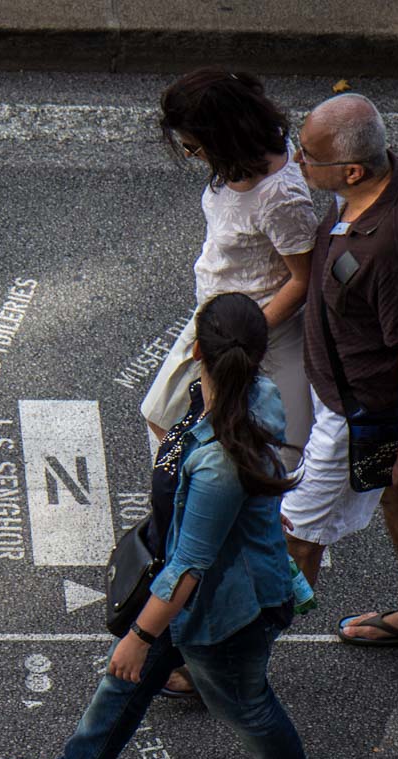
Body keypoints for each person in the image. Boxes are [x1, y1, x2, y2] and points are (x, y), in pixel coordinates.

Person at [0, 293, 318, 759]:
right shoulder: (252, 394)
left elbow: (191, 565)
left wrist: (140, 635)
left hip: (226, 611)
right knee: (123, 683)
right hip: (193, 594)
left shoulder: (219, 459)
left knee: (244, 704)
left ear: (197, 350)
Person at [144, 67, 319, 699]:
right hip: (216, 324)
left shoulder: (283, 197)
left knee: (264, 491)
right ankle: (193, 531)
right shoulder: (232, 168)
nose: (191, 156)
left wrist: (237, 337)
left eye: (194, 144)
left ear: (224, 132)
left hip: (255, 344)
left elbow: (302, 281)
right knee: (162, 413)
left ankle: (230, 642)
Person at [283, 93, 398, 652]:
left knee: (296, 538)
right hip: (339, 388)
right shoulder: (380, 178)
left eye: (306, 155)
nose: (296, 161)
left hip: (354, 415)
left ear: (351, 169)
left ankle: (235, 664)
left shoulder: (396, 247)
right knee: (397, 495)